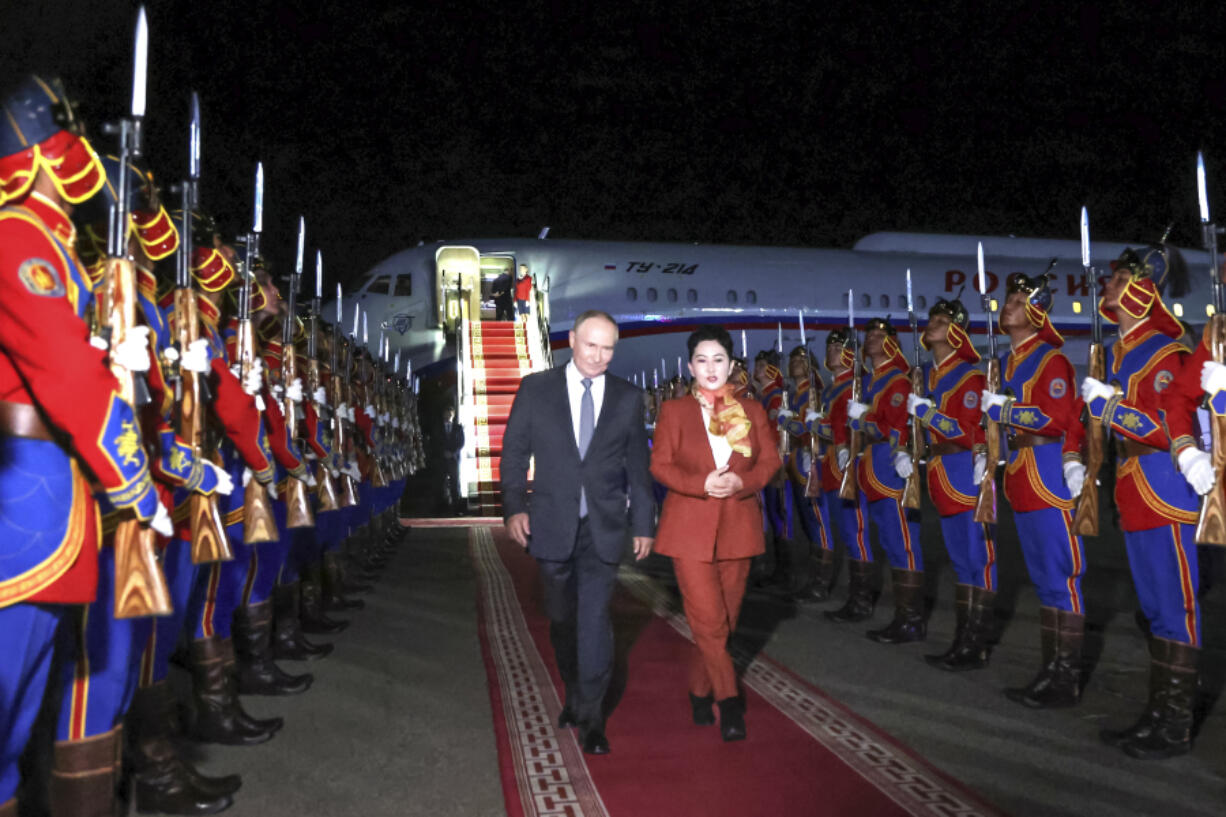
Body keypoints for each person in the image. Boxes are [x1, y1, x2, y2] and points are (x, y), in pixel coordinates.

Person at [500, 310, 654, 755]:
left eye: (608, 348)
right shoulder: (536, 389)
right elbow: (513, 455)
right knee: (562, 619)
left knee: (595, 622)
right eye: (592, 345)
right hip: (549, 525)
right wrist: (514, 509)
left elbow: (637, 470)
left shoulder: (627, 397)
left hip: (603, 528)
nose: (599, 356)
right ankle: (572, 688)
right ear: (571, 341)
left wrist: (643, 524)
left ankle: (591, 716)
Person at [1087, 246, 1200, 759]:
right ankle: (1157, 714)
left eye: (1117, 280)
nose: (1107, 287)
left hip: (1166, 486)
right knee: (1154, 610)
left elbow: (1167, 427)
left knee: (1175, 610)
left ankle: (1174, 725)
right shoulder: (1120, 350)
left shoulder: (1162, 350)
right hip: (1134, 487)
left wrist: (1110, 408)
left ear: (1140, 289)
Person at [650, 326, 782, 741]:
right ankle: (729, 702)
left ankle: (698, 689)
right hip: (689, 529)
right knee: (707, 620)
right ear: (690, 366)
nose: (710, 368)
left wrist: (741, 484)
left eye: (718, 360)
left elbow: (770, 463)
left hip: (738, 529)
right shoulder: (674, 411)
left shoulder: (752, 411)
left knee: (722, 622)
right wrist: (701, 484)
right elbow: (661, 466)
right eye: (702, 360)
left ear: (731, 365)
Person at [981, 272, 1087, 709]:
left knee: (1062, 576)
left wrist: (1007, 409)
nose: (1009, 306)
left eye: (1019, 302)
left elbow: (1058, 418)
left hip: (1047, 471)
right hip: (1022, 475)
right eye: (1009, 299)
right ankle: (1051, 671)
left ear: (1037, 313)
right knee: (1044, 580)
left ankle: (1066, 678)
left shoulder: (1050, 360)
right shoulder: (1007, 362)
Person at [906, 295, 997, 671]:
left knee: (977, 560)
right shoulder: (928, 374)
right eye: (932, 318)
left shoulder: (970, 375)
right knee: (960, 561)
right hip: (941, 472)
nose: (933, 324)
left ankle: (976, 644)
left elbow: (969, 430)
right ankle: (964, 640)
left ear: (957, 330)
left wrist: (930, 415)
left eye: (942, 320)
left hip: (963, 468)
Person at [847, 318, 925, 644]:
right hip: (872, 468)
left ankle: (910, 621)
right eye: (871, 335)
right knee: (890, 545)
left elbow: (890, 427)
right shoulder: (873, 381)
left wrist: (862, 417)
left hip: (891, 467)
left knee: (903, 544)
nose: (874, 339)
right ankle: (902, 617)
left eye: (881, 335)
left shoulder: (896, 380)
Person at [438, 403, 465, 513]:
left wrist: (453, 453)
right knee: (441, 482)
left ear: (453, 415)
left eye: (451, 413)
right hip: (442, 459)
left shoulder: (458, 428)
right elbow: (436, 441)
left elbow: (461, 442)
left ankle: (456, 508)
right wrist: (443, 452)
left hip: (454, 459)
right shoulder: (438, 427)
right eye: (447, 413)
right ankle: (442, 507)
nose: (449, 415)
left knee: (455, 483)